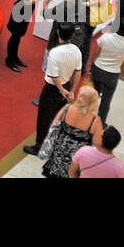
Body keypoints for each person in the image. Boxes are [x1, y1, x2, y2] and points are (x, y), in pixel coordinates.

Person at [22, 24, 82, 156]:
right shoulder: (76, 50)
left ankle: (39, 146)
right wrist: (71, 91)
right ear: (72, 35)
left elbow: (54, 76)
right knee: (59, 117)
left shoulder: (55, 53)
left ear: (58, 33)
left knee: (44, 118)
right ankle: (55, 143)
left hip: (53, 90)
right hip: (67, 85)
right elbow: (78, 72)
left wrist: (62, 90)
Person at [40, 86, 103, 178]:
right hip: (77, 156)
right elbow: (98, 143)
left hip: (59, 151)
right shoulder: (95, 120)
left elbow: (54, 125)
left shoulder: (67, 109)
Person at [89, 19, 124, 122]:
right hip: (112, 74)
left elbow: (96, 54)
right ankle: (100, 123)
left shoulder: (105, 37)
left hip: (98, 68)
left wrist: (91, 66)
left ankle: (87, 116)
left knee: (94, 93)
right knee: (106, 100)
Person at [4, 0, 42, 72]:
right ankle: (9, 60)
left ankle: (14, 57)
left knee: (18, 35)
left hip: (25, 11)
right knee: (15, 36)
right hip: (21, 11)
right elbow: (26, 0)